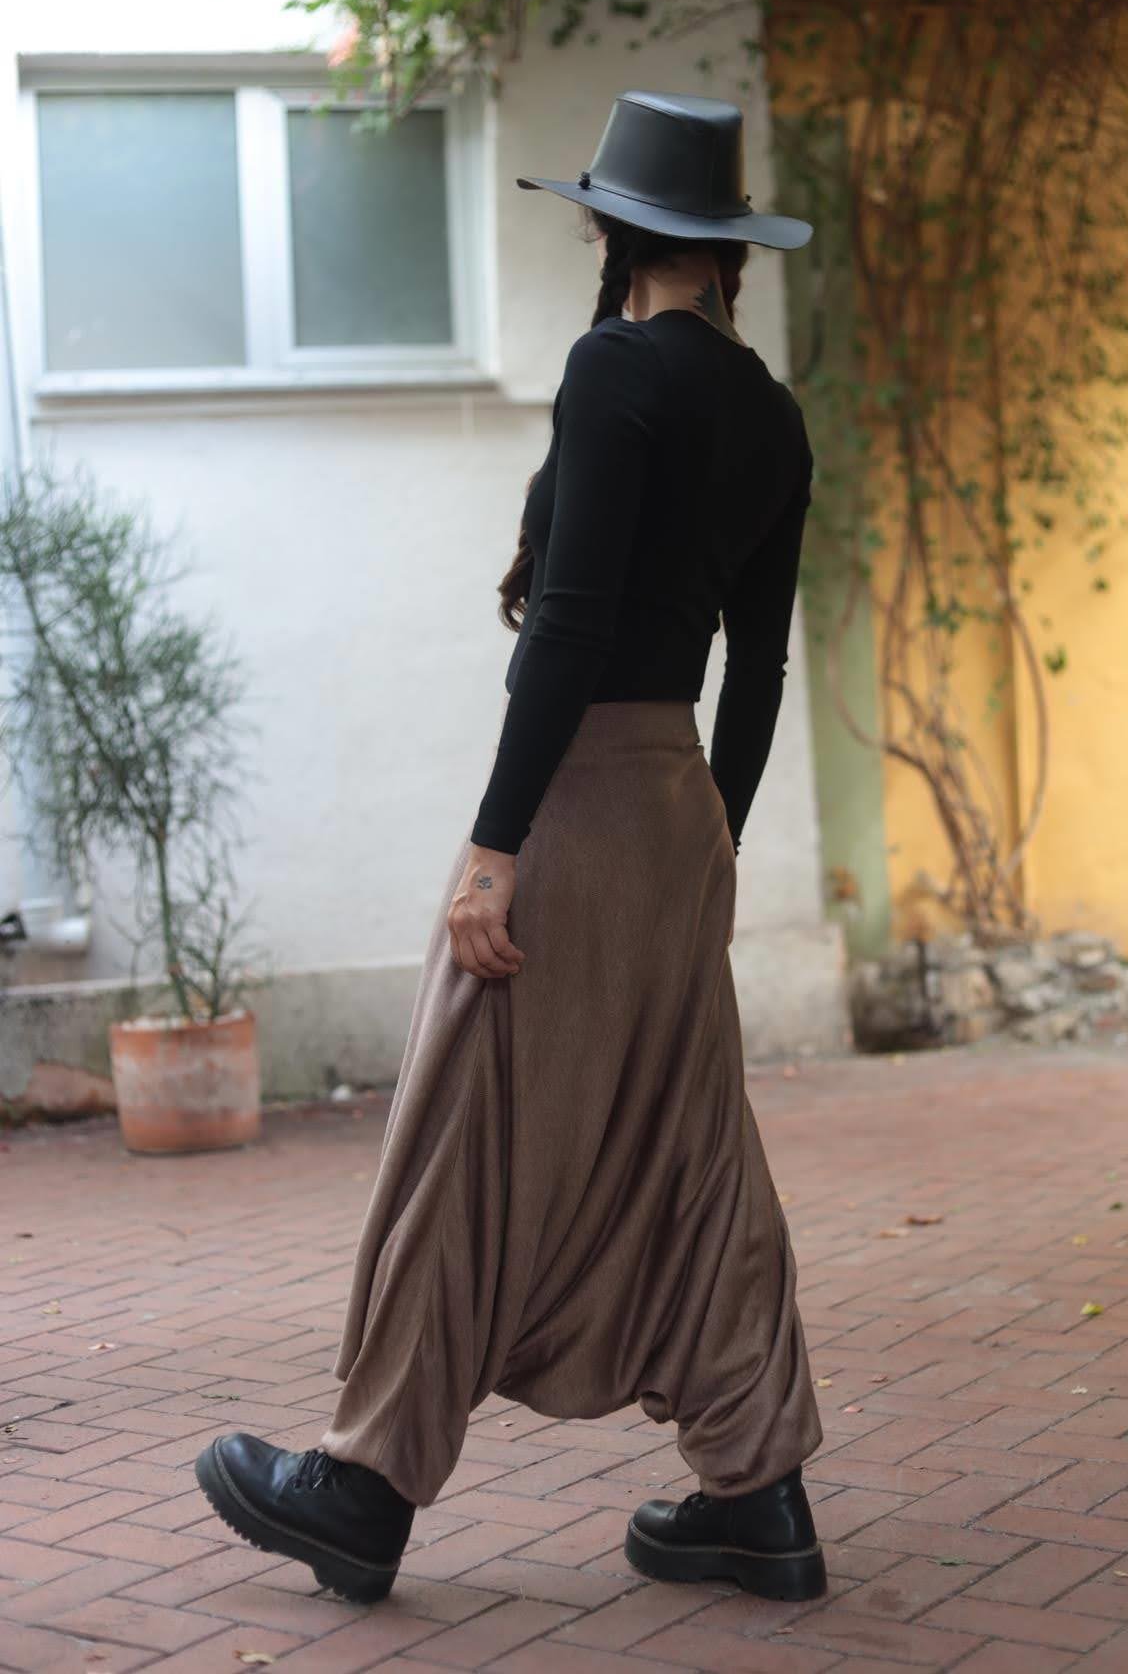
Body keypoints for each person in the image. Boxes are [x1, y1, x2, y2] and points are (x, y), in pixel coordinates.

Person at [195, 89, 827, 1609]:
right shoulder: (771, 412)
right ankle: (760, 1498)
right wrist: (718, 844)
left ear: (614, 228)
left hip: (582, 801)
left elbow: (571, 624)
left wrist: (494, 847)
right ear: (729, 246)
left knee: (461, 1131)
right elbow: (757, 666)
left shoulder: (614, 369)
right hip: (678, 809)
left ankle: (363, 1490)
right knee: (693, 1152)